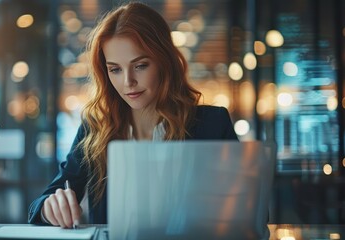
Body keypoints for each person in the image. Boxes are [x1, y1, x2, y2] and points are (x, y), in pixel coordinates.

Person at [28, 2, 238, 228]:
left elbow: (250, 212)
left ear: (164, 61)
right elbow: (39, 205)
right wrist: (50, 208)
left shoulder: (212, 124)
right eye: (115, 69)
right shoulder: (96, 128)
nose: (128, 82)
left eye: (140, 66)